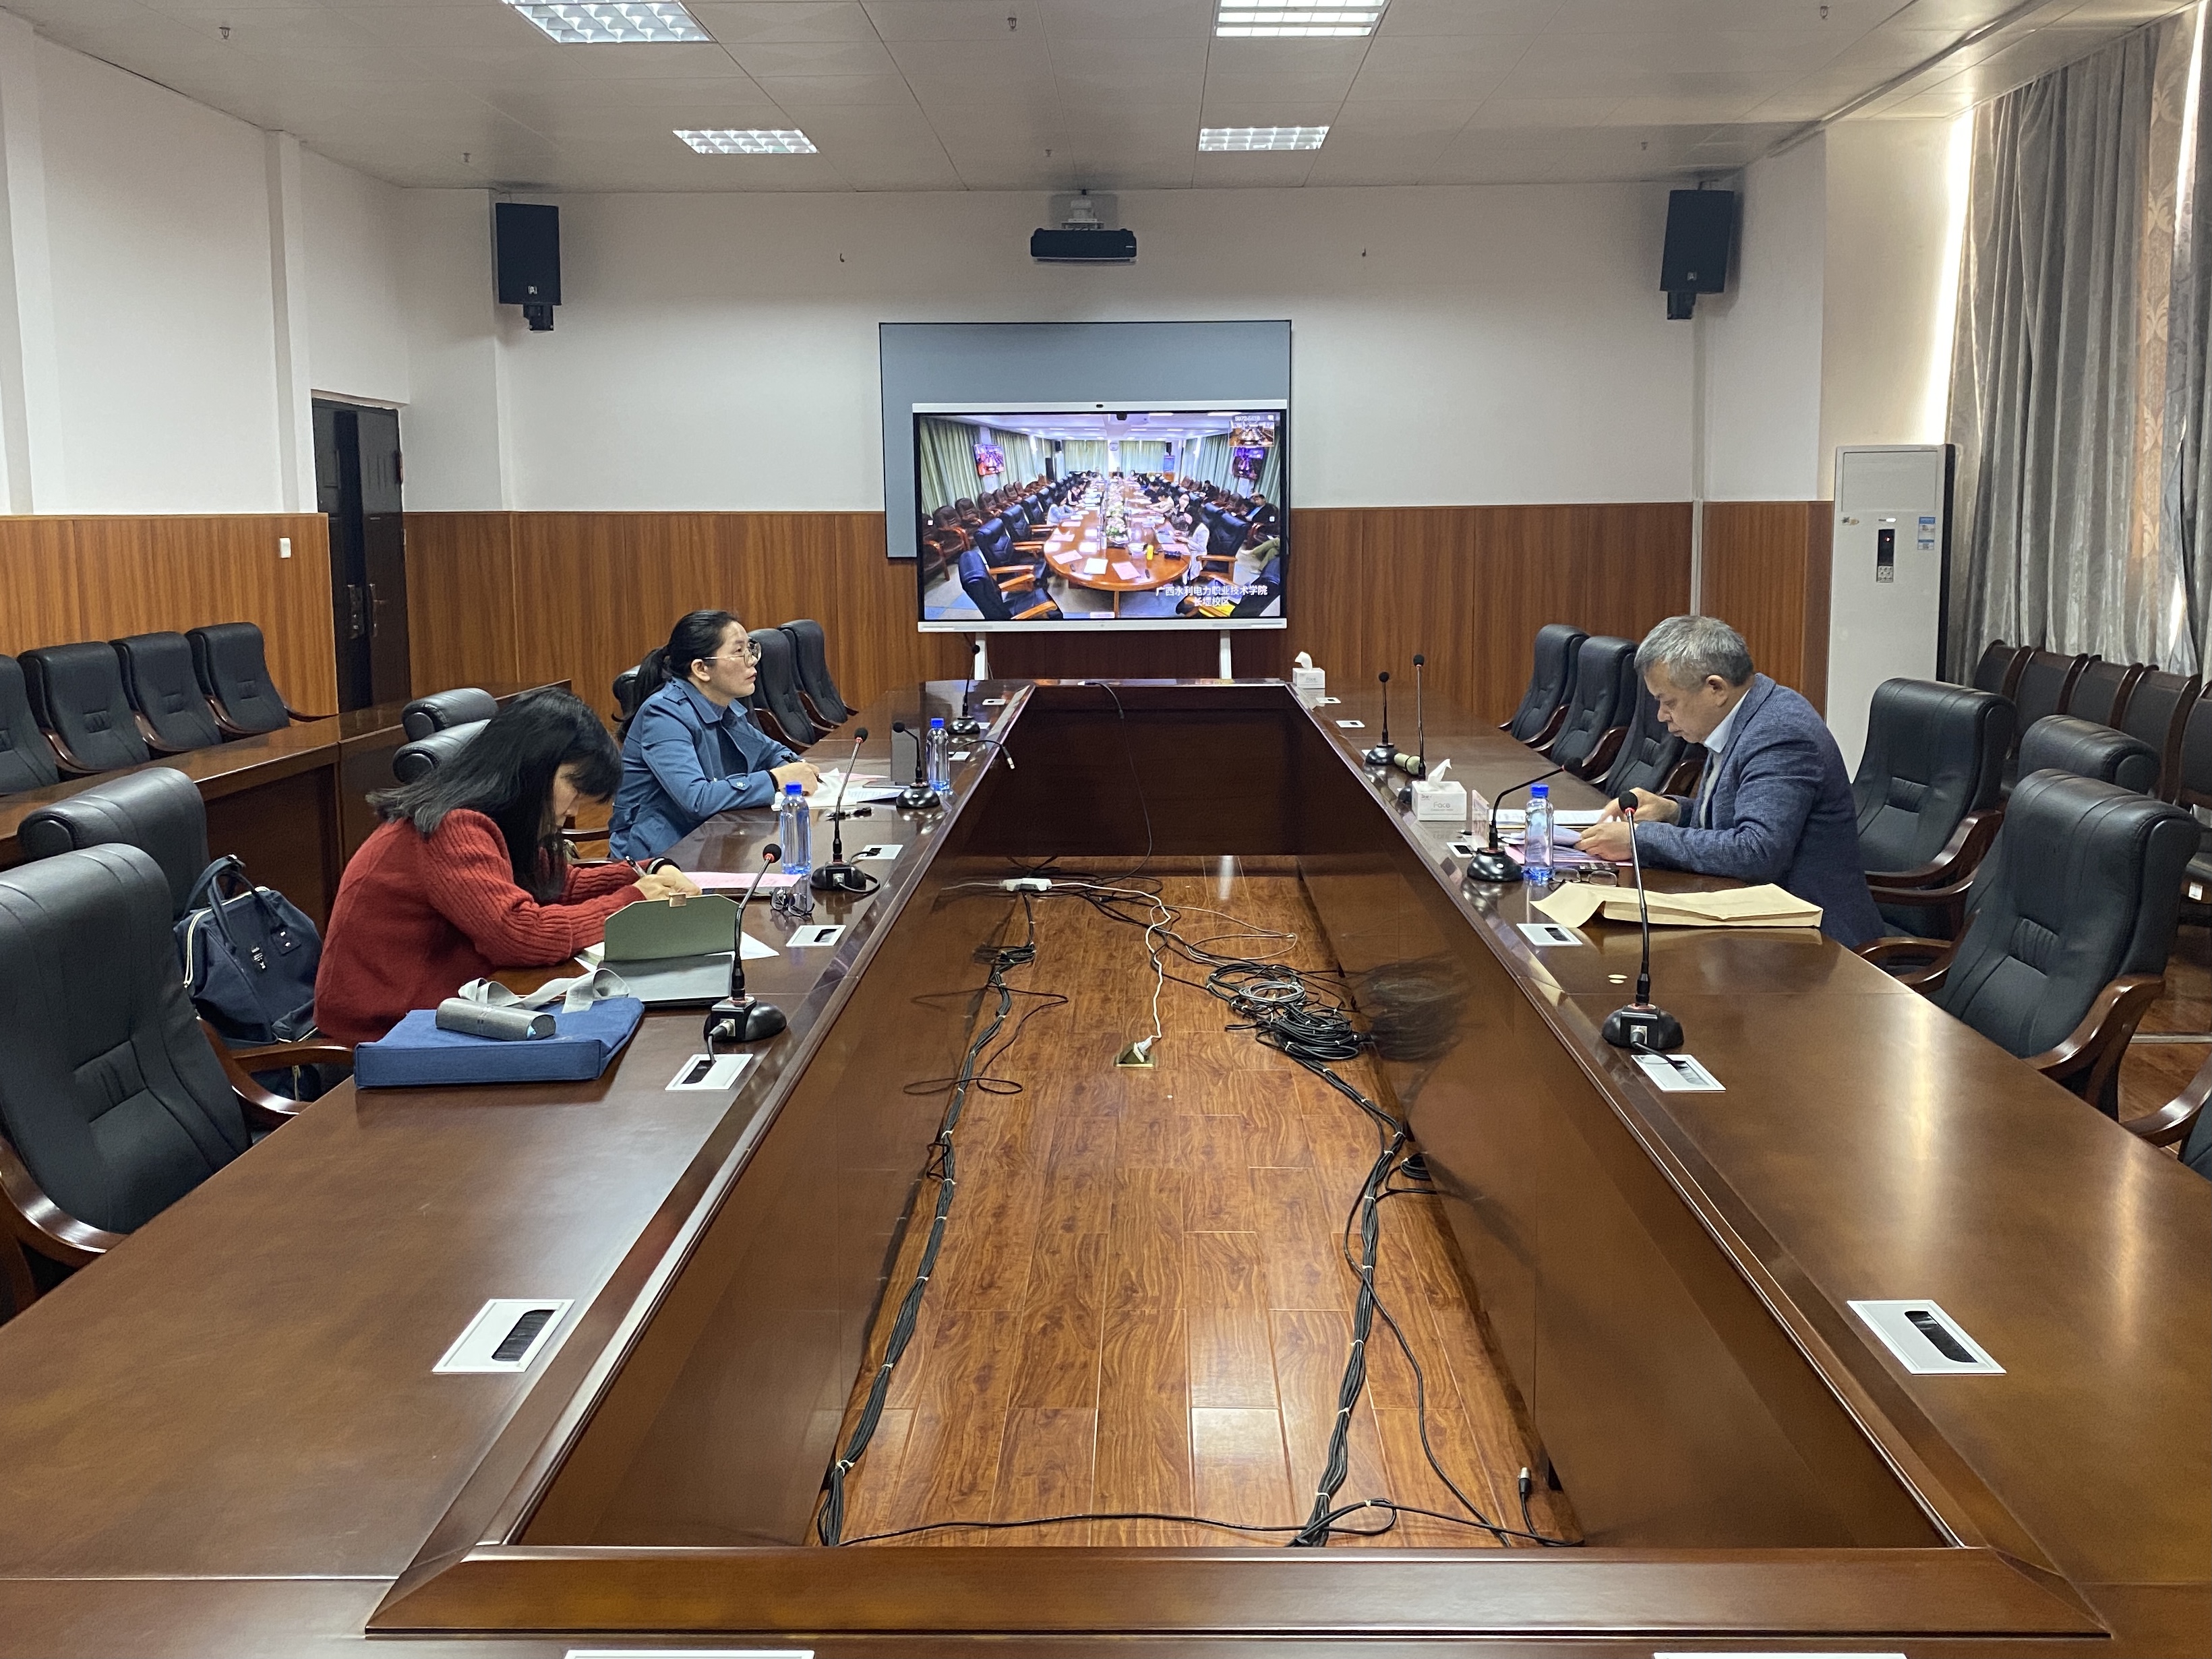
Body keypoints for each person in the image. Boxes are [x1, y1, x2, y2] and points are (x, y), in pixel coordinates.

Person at [315, 688, 698, 1044]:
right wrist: (631, 902)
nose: (573, 811)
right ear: (531, 768)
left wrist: (646, 870)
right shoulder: (452, 826)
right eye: (574, 789)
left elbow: (556, 885)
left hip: (447, 1013)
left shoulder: (492, 819)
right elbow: (521, 935)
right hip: (387, 1036)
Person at [1575, 614, 1883, 948]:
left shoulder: (1779, 733)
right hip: (1755, 918)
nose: (1662, 715)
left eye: (1668, 702)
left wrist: (1641, 839)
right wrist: (1674, 812)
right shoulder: (1743, 715)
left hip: (1816, 942)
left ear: (1715, 689)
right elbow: (1733, 818)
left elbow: (1757, 851)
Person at [609, 609, 820, 862]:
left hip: (709, 841)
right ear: (701, 669)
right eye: (738, 651)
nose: (752, 660)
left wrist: (795, 768)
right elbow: (697, 799)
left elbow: (771, 752)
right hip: (657, 859)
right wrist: (776, 779)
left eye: (750, 648)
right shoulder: (664, 714)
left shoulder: (721, 705)